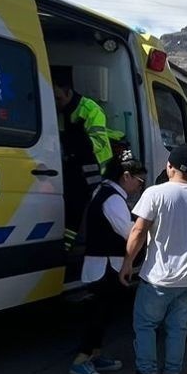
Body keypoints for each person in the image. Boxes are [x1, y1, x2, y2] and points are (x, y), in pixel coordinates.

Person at [115, 144, 187, 374]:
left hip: (158, 278)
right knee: (177, 329)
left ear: (170, 166)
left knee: (146, 326)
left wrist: (127, 263)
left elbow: (138, 231)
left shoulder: (155, 193)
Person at [68, 154, 146, 374]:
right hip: (103, 266)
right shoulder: (112, 199)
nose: (139, 188)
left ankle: (95, 354)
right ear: (126, 176)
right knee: (97, 314)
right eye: (139, 182)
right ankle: (80, 361)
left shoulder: (105, 192)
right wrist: (146, 230)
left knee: (105, 312)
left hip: (105, 265)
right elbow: (129, 232)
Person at [52, 66, 115, 251]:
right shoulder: (56, 109)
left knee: (76, 205)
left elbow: (97, 144)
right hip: (70, 164)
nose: (56, 103)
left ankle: (67, 249)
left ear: (68, 92)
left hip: (94, 168)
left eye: (58, 98)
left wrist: (75, 139)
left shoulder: (90, 109)